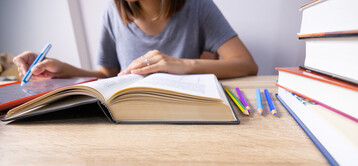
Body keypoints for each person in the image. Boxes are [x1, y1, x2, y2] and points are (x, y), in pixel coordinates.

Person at [13, 0, 258, 81]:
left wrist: (184, 64)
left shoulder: (197, 6)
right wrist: (63, 70)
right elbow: (107, 74)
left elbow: (247, 64)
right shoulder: (112, 13)